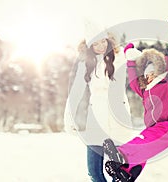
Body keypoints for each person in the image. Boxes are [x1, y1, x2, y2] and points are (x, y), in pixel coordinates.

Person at [102, 18, 168, 182]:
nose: (149, 76)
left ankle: (122, 155)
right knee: (145, 147)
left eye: (152, 71)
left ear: (160, 69)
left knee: (143, 142)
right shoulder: (146, 90)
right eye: (146, 73)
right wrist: (131, 60)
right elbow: (134, 80)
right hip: (154, 127)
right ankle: (127, 172)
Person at [64, 27, 132, 182]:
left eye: (103, 41)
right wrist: (70, 118)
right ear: (89, 46)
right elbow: (76, 92)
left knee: (119, 172)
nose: (101, 46)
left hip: (117, 117)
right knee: (94, 172)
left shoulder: (119, 56)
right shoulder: (85, 64)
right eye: (96, 44)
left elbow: (138, 65)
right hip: (95, 119)